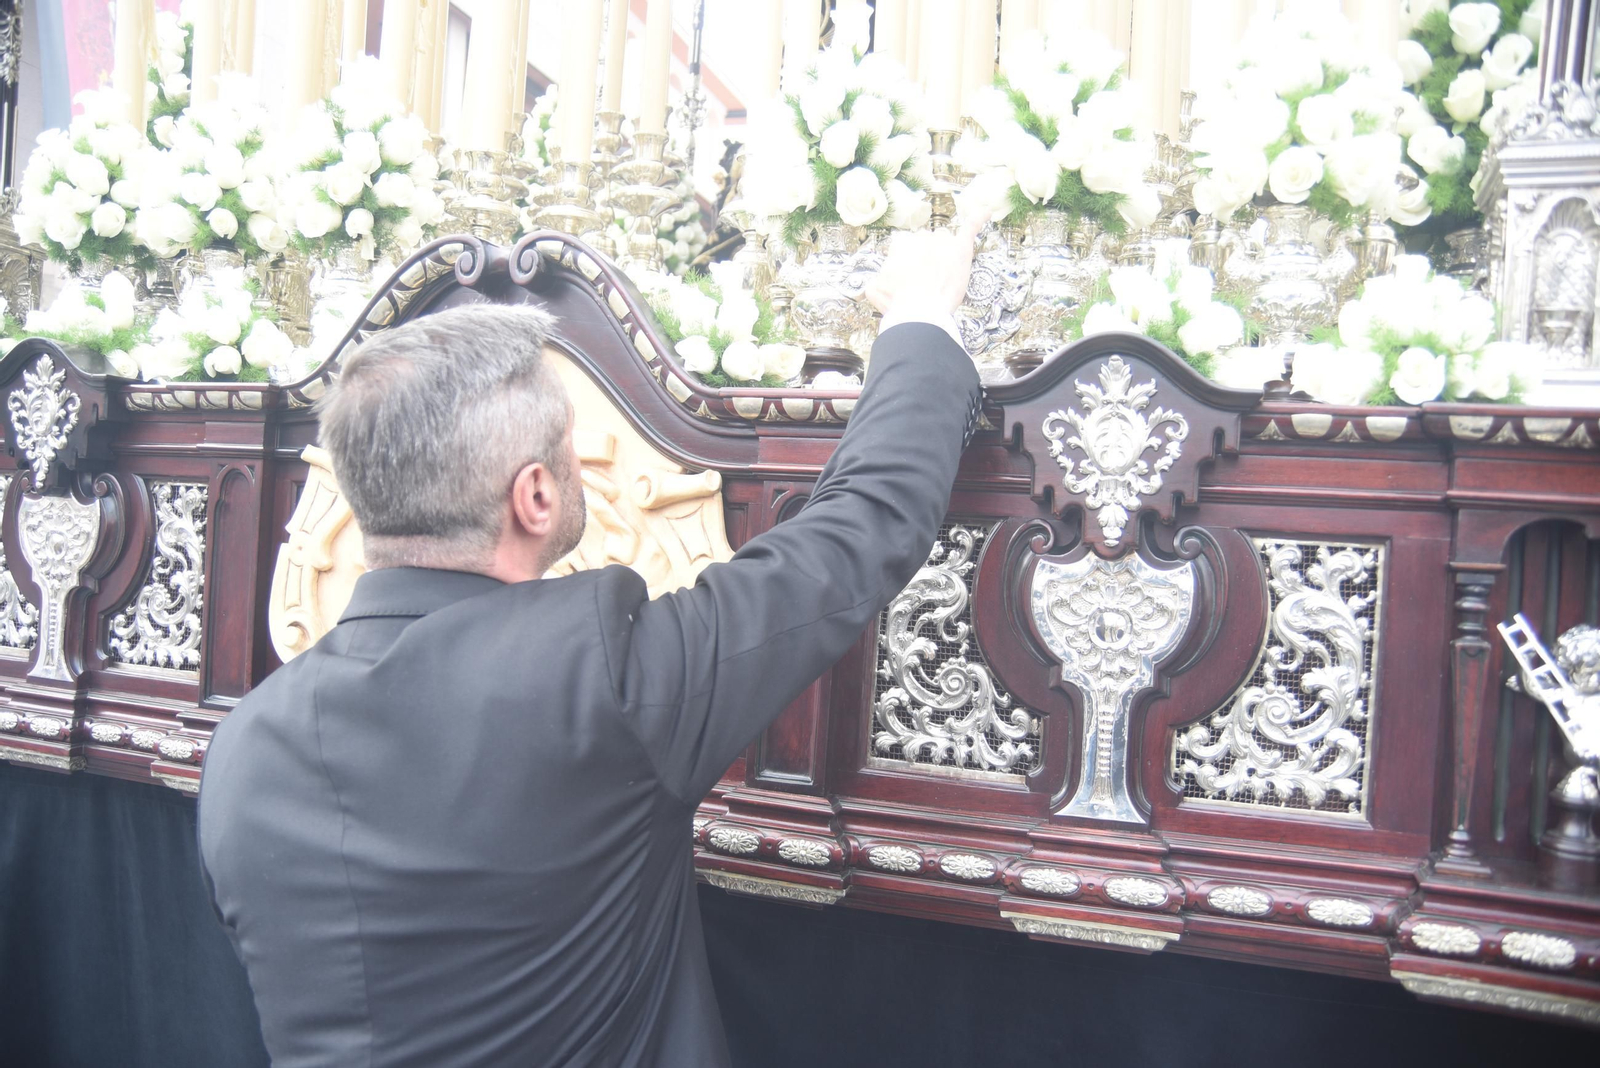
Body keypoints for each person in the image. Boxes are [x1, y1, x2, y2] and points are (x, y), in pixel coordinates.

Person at [197, 214, 987, 1068]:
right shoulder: (599, 674)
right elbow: (855, 533)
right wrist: (920, 316)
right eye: (572, 451)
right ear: (534, 497)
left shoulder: (241, 744)